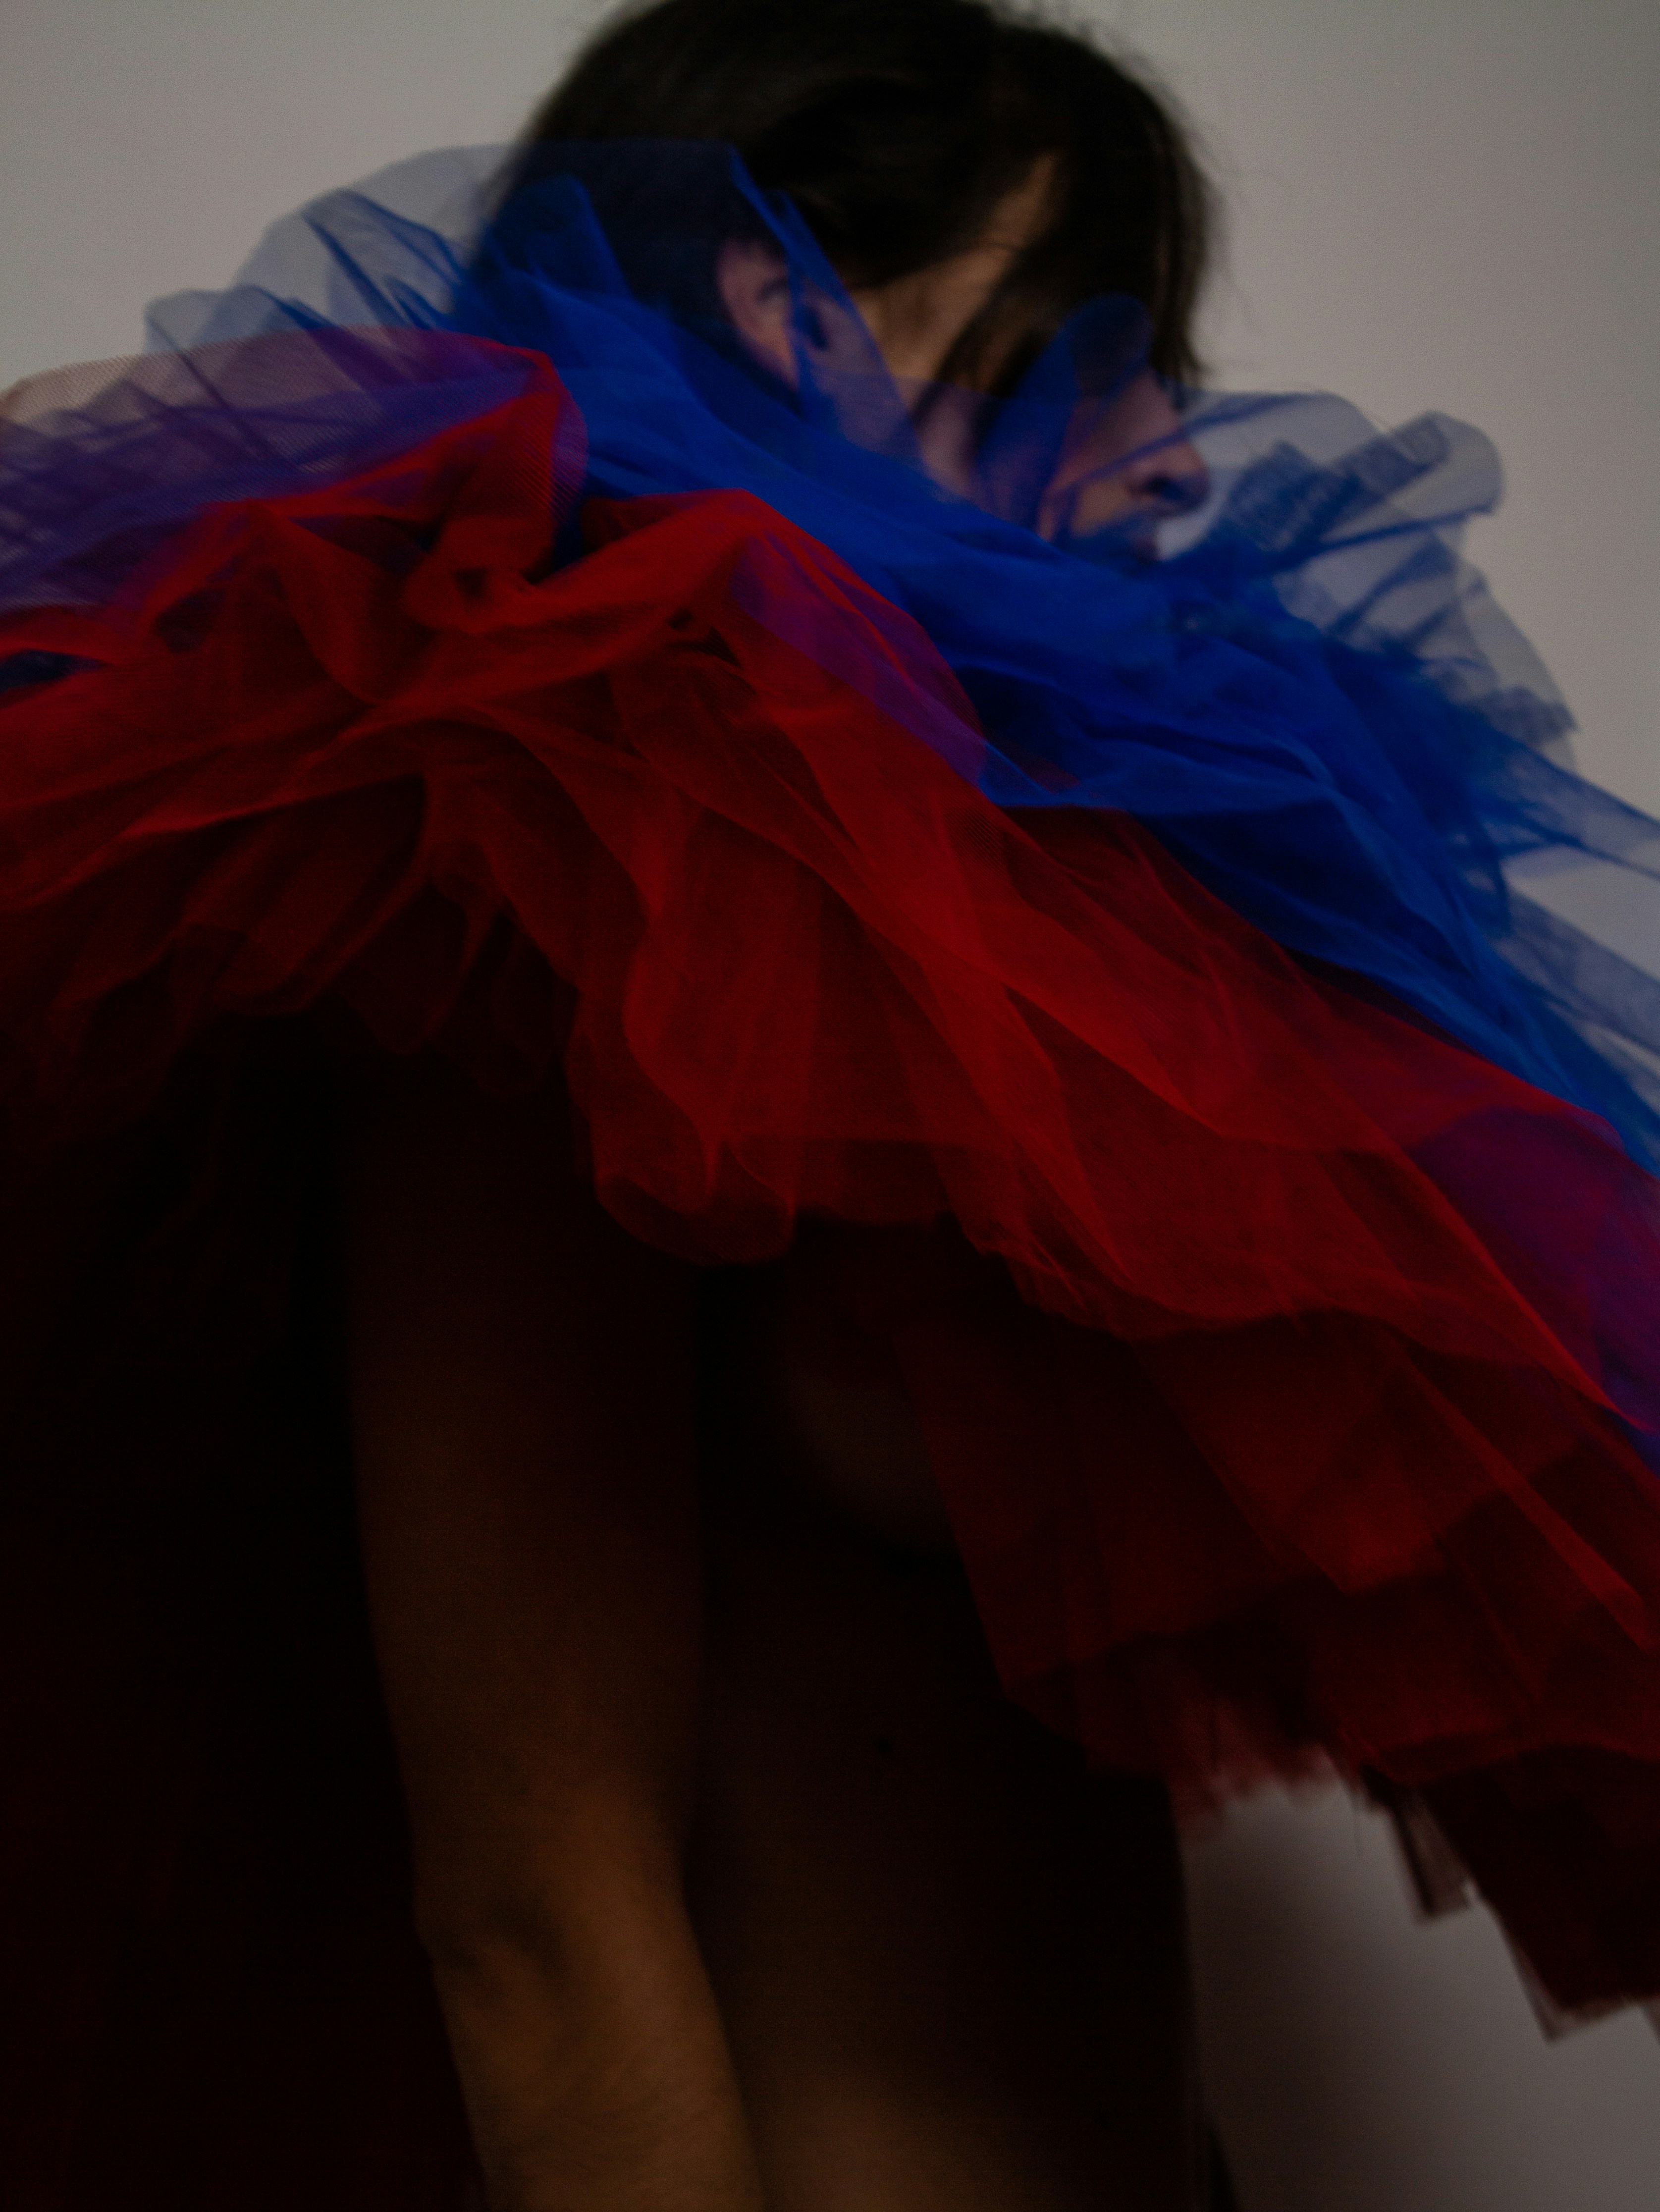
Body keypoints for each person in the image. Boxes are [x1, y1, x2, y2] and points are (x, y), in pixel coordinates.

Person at [4, 4, 1660, 2211]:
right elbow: (529, 1910)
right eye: (1103, 343)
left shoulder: (1018, 960)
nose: (1174, 453)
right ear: (795, 315)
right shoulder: (529, 913)